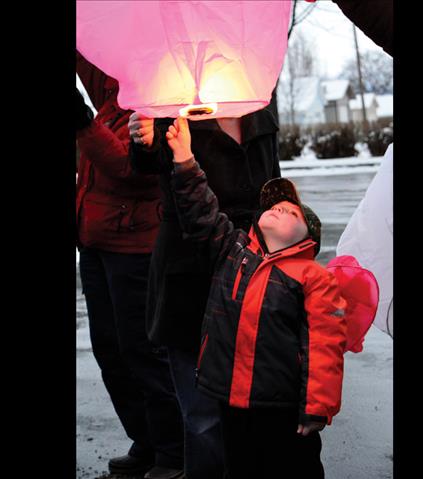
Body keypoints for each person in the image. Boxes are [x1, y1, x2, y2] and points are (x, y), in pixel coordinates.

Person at [164, 116, 347, 478]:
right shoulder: (234, 252)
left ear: (307, 238)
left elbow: (325, 346)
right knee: (241, 468)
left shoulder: (313, 277)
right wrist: (185, 159)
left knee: (292, 469)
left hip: (282, 410)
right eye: (273, 206)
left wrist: (317, 406)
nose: (278, 208)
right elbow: (202, 212)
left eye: (290, 210)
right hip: (233, 403)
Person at [128, 107, 280, 478]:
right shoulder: (169, 92)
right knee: (203, 419)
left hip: (255, 270)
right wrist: (145, 139)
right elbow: (147, 162)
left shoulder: (259, 91)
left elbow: (272, 179)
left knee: (259, 413)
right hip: (188, 274)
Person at [76, 51, 185, 479]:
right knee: (111, 351)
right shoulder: (112, 89)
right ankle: (147, 439)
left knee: (142, 351)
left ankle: (173, 452)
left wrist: (82, 122)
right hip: (95, 243)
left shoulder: (158, 97)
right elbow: (89, 52)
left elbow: (131, 169)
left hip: (135, 247)